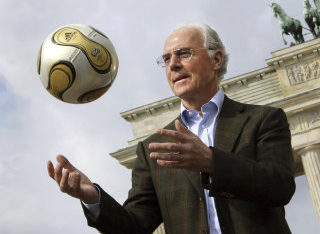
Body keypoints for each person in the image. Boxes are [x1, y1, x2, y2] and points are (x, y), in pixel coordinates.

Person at [47, 21, 296, 234]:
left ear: (216, 59)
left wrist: (211, 162)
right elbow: (135, 226)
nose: (173, 65)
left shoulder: (263, 120)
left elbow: (279, 187)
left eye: (184, 54)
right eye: (166, 59)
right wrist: (92, 197)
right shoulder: (153, 148)